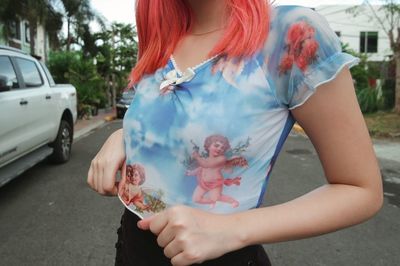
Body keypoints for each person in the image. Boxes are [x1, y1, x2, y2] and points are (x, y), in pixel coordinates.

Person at [87, 0, 383, 265]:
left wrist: (232, 230)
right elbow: (172, 124)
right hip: (131, 247)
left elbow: (361, 189)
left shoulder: (289, 33)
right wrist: (124, 136)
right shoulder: (162, 39)